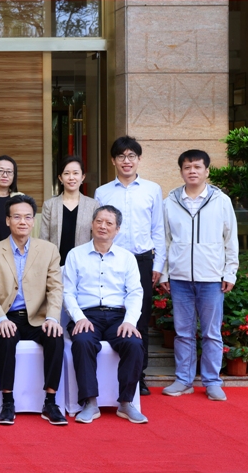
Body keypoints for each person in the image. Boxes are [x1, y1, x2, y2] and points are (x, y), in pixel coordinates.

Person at [0, 194, 66, 426]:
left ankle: (50, 401)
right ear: (8, 220)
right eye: (17, 217)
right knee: (6, 337)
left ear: (33, 221)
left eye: (28, 217)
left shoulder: (48, 250)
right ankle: (7, 402)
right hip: (7, 316)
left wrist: (52, 318)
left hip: (38, 317)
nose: (23, 222)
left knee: (55, 337)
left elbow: (55, 288)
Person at [160, 149, 239, 402]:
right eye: (187, 167)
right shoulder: (170, 202)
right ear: (181, 171)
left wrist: (230, 272)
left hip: (212, 278)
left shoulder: (221, 200)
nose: (192, 171)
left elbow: (230, 239)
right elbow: (165, 241)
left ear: (207, 171)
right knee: (183, 332)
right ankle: (183, 380)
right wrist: (164, 274)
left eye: (197, 167)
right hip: (180, 278)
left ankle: (212, 381)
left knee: (211, 333)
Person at [62, 206, 147, 424]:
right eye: (99, 221)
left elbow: (135, 292)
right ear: (92, 224)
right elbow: (67, 292)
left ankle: (126, 403)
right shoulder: (75, 255)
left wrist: (129, 321)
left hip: (118, 317)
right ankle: (90, 403)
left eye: (109, 223)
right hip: (86, 315)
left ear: (117, 229)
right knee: (82, 341)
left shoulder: (127, 258)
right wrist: (79, 317)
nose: (103, 226)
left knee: (134, 343)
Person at [94, 136, 165, 396]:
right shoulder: (102, 192)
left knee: (140, 319)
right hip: (111, 260)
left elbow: (159, 230)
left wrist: (159, 264)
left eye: (131, 156)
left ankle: (138, 376)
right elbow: (98, 229)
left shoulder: (152, 189)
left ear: (139, 159)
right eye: (121, 156)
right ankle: (108, 373)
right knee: (112, 312)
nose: (127, 161)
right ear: (113, 160)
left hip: (142, 260)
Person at [41, 156, 100, 266]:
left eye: (75, 173)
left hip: (84, 265)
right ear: (60, 178)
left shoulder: (93, 205)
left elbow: (96, 238)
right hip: (55, 266)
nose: (71, 177)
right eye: (66, 173)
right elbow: (44, 239)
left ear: (82, 177)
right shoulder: (49, 205)